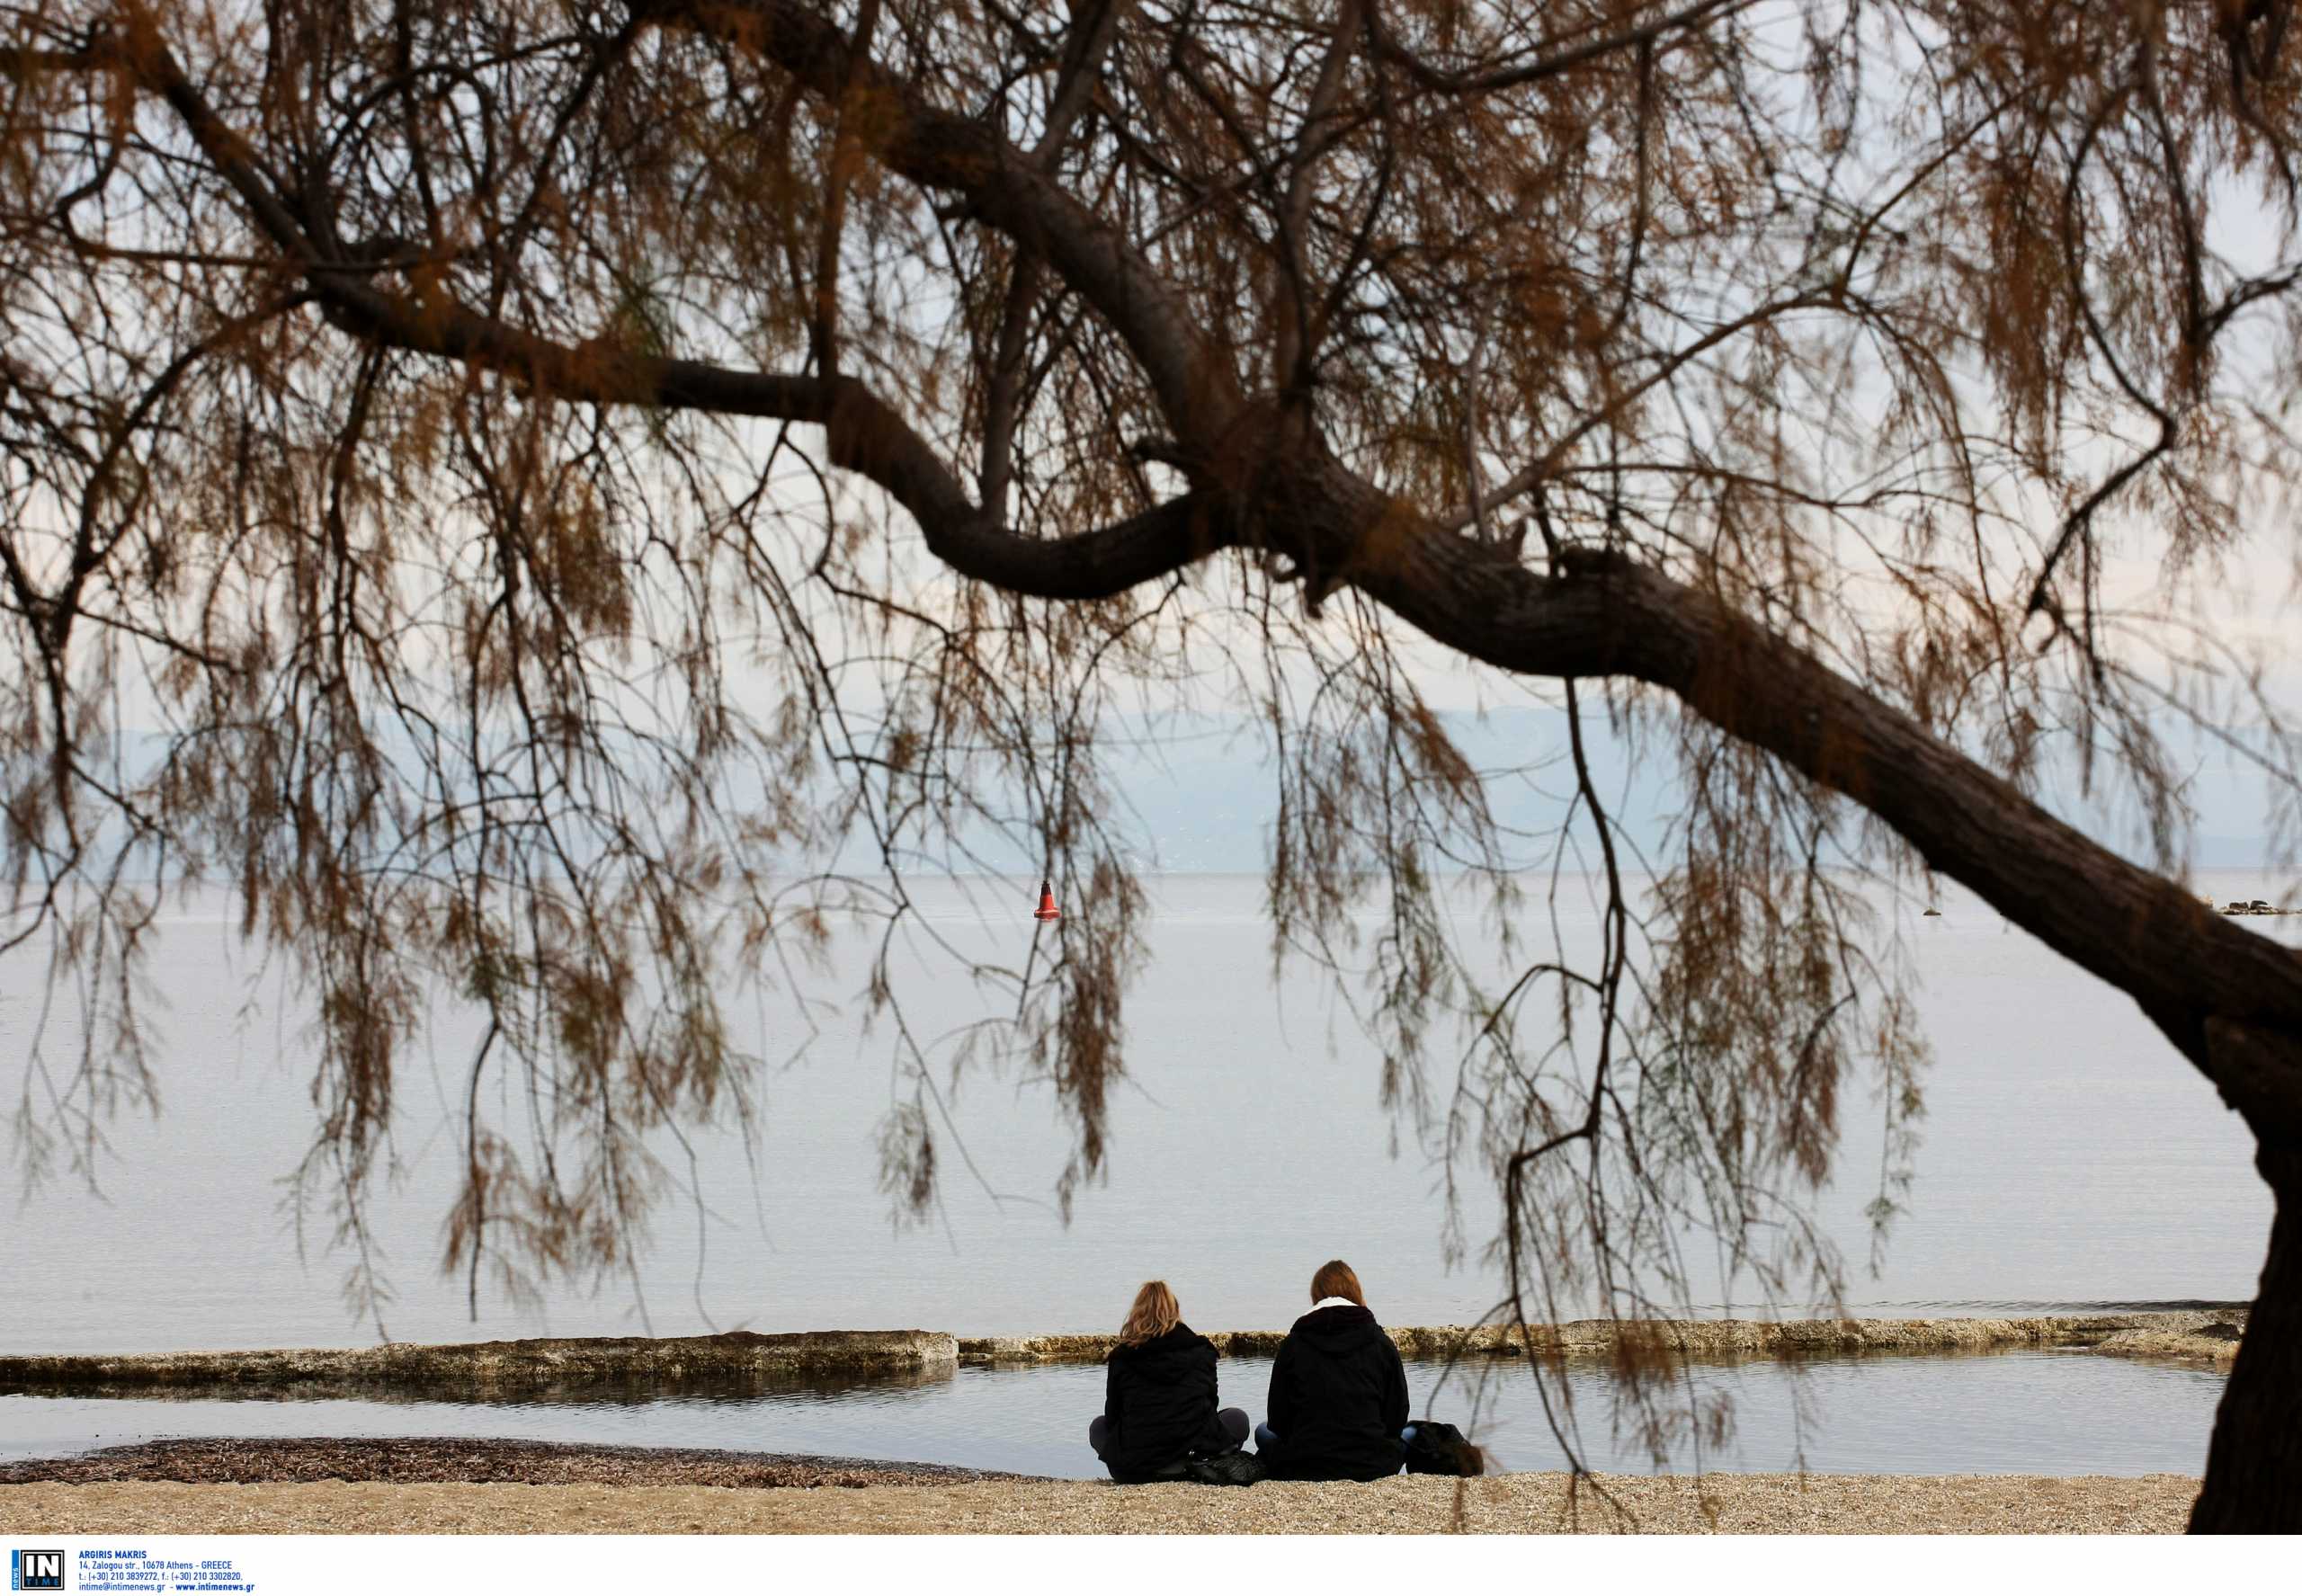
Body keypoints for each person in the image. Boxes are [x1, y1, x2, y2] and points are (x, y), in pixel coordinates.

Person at [1253, 1259, 1411, 1481]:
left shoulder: (1294, 1343)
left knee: (1262, 1432)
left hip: (1305, 1463)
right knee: (1412, 1433)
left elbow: (1278, 1419)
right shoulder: (1380, 1342)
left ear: (1316, 1295)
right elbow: (1397, 1416)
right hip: (1372, 1463)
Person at [1088, 1279, 1250, 1483]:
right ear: (1176, 1311)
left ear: (1137, 1313)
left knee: (1098, 1427)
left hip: (1135, 1467)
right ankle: (1191, 1463)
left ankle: (1160, 1465)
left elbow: (1113, 1416)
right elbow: (1209, 1404)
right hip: (1193, 1452)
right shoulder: (1201, 1350)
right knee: (1237, 1418)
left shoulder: (1122, 1357)